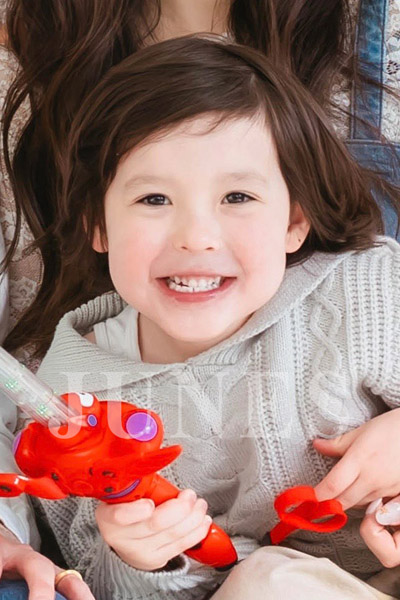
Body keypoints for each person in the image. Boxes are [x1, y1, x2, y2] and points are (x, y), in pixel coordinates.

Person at [2, 35, 400, 600]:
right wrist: (141, 559)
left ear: (295, 221)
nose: (196, 237)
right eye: (154, 200)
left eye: (237, 197)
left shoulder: (363, 290)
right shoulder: (70, 396)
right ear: (99, 225)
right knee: (266, 581)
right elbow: (91, 581)